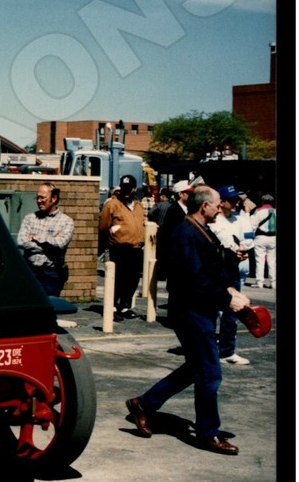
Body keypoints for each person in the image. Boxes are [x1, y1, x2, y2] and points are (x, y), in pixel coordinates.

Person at [125, 185, 250, 455]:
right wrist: (227, 297)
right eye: (217, 204)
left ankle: (144, 404)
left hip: (199, 310)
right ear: (204, 206)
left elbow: (209, 264)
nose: (220, 207)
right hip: (191, 312)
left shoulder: (198, 230)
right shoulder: (185, 232)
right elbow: (195, 278)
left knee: (195, 368)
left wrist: (229, 280)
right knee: (210, 373)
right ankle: (208, 433)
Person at [209, 184, 254, 366]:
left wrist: (244, 250)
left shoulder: (241, 219)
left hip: (234, 267)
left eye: (237, 199)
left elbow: (249, 239)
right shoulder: (215, 221)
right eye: (232, 200)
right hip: (218, 269)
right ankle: (209, 348)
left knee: (232, 311)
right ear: (223, 202)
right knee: (211, 309)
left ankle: (227, 350)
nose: (236, 203)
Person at [98, 174, 146, 319]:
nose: (126, 191)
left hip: (136, 248)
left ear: (134, 189)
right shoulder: (112, 204)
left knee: (132, 279)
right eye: (123, 188)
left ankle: (125, 306)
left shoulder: (138, 205)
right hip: (118, 248)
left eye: (129, 188)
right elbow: (103, 225)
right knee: (118, 279)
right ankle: (112, 307)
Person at [16, 183, 74, 296]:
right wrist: (49, 243)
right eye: (37, 197)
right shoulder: (29, 218)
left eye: (42, 197)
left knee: (50, 307)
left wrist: (37, 238)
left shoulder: (66, 221)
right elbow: (21, 241)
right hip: (30, 271)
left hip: (51, 274)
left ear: (54, 198)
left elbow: (61, 243)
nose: (39, 201)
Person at [250, 194, 276, 289]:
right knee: (272, 261)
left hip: (260, 237)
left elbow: (252, 226)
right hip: (273, 238)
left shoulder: (258, 212)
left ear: (262, 202)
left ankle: (259, 282)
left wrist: (251, 238)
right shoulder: (276, 212)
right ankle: (273, 283)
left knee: (259, 260)